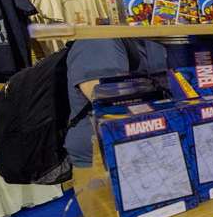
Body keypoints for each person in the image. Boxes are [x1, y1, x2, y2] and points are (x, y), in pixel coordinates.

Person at [65, 39, 168, 168]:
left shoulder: (153, 39)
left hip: (144, 150)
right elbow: (113, 110)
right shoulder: (97, 42)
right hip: (103, 158)